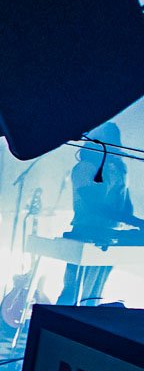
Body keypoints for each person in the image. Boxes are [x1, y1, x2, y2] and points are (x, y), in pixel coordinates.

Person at [63, 121, 137, 307]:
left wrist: (136, 223)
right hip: (85, 232)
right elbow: (96, 205)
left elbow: (126, 204)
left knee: (95, 293)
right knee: (72, 290)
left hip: (111, 235)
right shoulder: (85, 167)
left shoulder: (119, 168)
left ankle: (83, 327)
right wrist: (134, 220)